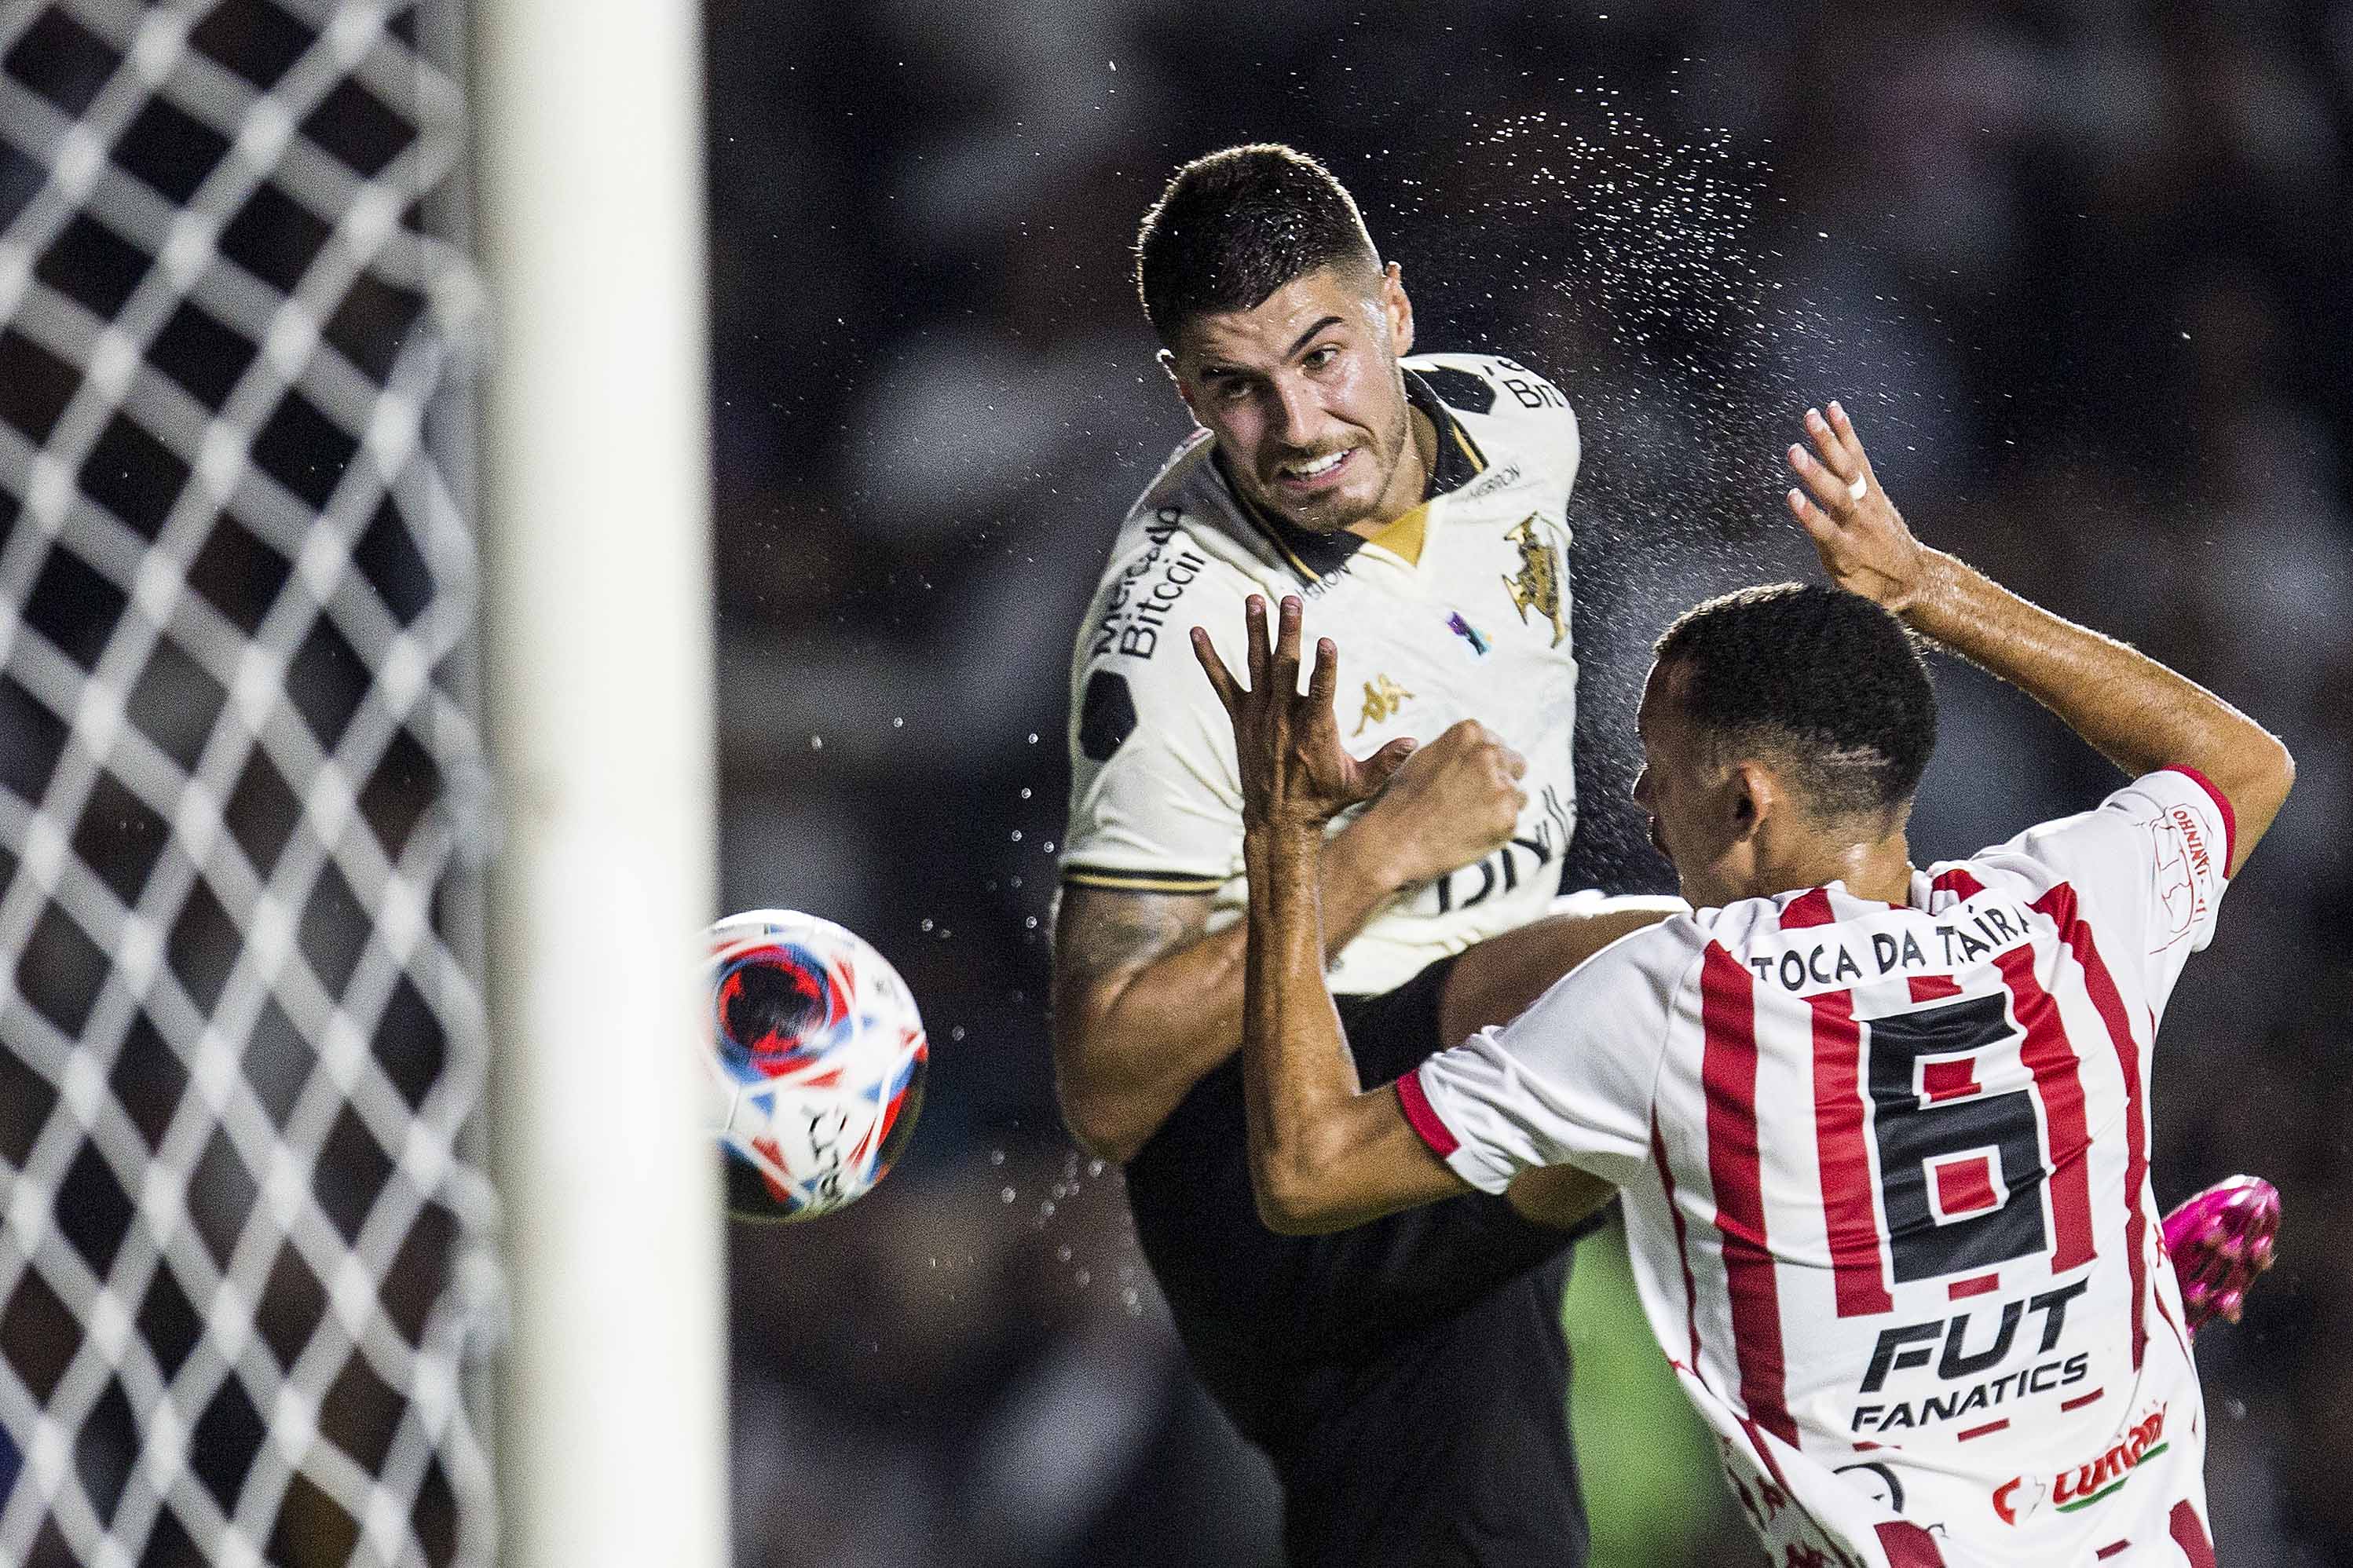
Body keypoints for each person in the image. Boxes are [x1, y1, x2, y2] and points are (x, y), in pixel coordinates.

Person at [1193, 399, 2295, 1567]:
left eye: (1658, 765)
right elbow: (2243, 762)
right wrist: (1925, 587)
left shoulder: (1672, 1001)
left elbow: (1308, 1167)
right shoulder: (2074, 908)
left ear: (1747, 799)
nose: (1638, 801)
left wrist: (1283, 843)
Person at [1052, 143, 1674, 1565]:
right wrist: (1373, 852)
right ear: (1184, 394)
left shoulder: (1524, 428)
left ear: (1393, 309)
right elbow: (1101, 1075)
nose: (1297, 423)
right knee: (1686, 976)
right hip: (1271, 1157)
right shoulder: (1184, 633)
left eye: (1322, 355)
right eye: (1235, 388)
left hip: (1442, 1096)